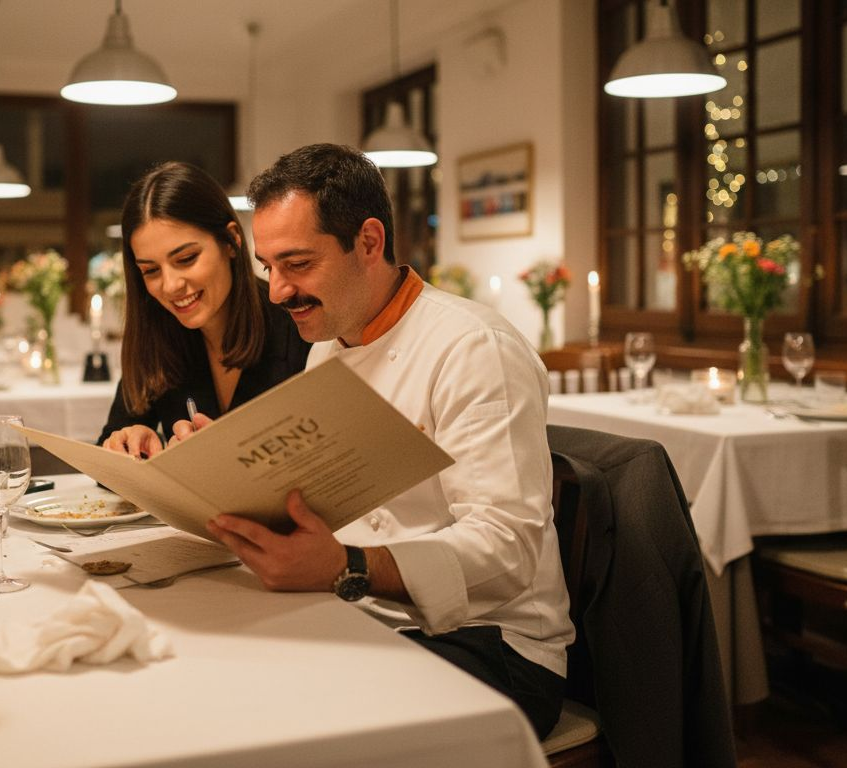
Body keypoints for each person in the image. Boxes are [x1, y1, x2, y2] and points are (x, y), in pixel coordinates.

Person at [178, 144, 574, 738]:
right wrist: (235, 471)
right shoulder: (327, 348)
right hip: (366, 614)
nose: (278, 291)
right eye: (269, 268)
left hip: (494, 649)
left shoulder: (473, 347)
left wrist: (348, 564)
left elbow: (507, 550)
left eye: (298, 264)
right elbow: (332, 500)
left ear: (368, 241)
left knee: (276, 720)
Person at [97, 161, 310, 457]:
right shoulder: (157, 336)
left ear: (231, 241)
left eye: (186, 259)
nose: (170, 286)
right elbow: (108, 453)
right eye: (151, 270)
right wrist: (131, 441)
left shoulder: (299, 327)